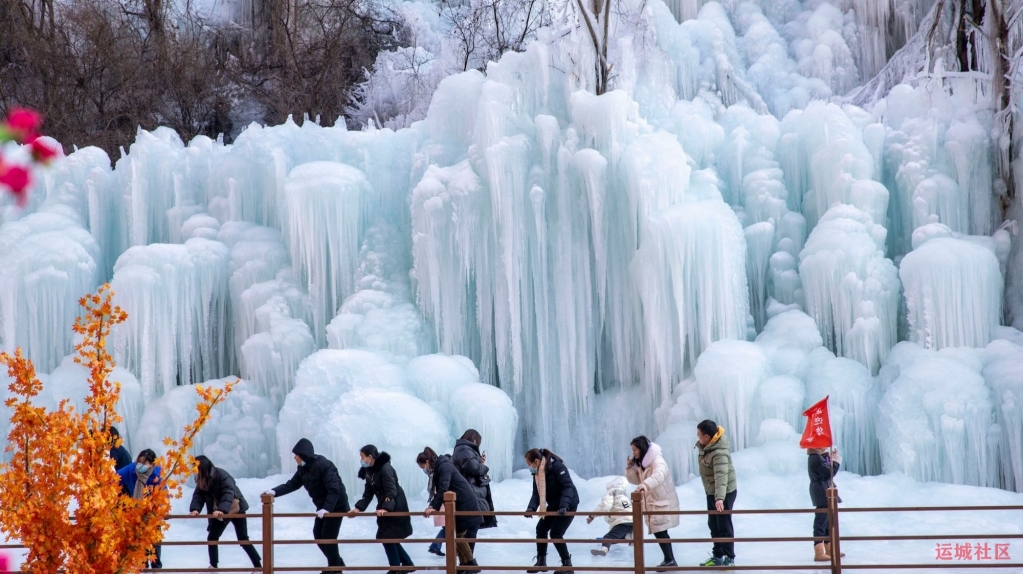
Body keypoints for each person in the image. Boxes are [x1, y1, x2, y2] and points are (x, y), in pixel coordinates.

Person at [264, 438, 350, 573]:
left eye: (296, 454)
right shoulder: (302, 469)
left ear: (303, 454)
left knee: (328, 536)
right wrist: (274, 492)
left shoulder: (324, 465)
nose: (294, 458)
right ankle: (336, 563)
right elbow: (292, 484)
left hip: (335, 505)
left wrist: (327, 508)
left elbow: (334, 489)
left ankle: (335, 569)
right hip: (322, 506)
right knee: (318, 535)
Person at [348, 445, 415, 574]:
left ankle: (395, 569)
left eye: (362, 457)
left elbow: (391, 490)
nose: (360, 460)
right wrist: (357, 508)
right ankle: (407, 564)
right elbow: (367, 494)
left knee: (387, 537)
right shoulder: (369, 472)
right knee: (389, 536)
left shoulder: (385, 468)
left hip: (395, 504)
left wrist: (386, 507)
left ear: (370, 457)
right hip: (384, 506)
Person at [189, 456, 262, 569]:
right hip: (219, 512)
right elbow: (198, 495)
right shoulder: (202, 479)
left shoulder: (222, 475)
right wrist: (195, 509)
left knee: (243, 539)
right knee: (212, 538)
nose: (194, 471)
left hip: (236, 509)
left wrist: (221, 509)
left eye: (195, 468)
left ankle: (258, 566)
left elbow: (228, 492)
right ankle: (213, 567)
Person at [419, 447, 482, 573]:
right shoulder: (441, 466)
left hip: (465, 503)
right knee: (456, 535)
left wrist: (433, 507)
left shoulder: (443, 466)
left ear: (427, 462)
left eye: (423, 467)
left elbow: (443, 488)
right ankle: (464, 565)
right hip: (460, 503)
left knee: (458, 535)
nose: (424, 470)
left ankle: (471, 565)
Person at [626, 435, 680, 569]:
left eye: (635, 450)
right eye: (632, 450)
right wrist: (630, 468)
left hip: (661, 501)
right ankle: (669, 560)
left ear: (642, 449)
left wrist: (644, 486)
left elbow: (659, 475)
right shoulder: (643, 463)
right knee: (660, 531)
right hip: (654, 501)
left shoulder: (657, 460)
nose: (633, 453)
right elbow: (636, 480)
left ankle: (670, 560)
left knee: (660, 531)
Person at [524, 448, 579, 574]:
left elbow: (568, 486)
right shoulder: (537, 473)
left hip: (568, 504)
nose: (528, 467)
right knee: (541, 529)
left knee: (556, 533)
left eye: (529, 464)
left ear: (536, 461)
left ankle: (567, 565)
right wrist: (531, 508)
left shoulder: (557, 466)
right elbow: (536, 493)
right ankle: (541, 562)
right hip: (554, 505)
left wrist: (564, 505)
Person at [696, 420, 737, 567]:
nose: (697, 437)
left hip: (724, 491)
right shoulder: (707, 447)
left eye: (699, 434)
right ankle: (718, 556)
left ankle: (730, 558)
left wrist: (720, 498)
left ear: (707, 436)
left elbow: (721, 477)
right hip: (712, 491)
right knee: (713, 523)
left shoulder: (719, 452)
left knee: (724, 524)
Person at [117, 449, 163, 569]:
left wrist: (160, 509)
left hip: (152, 512)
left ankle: (156, 567)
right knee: (138, 540)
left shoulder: (157, 474)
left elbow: (164, 493)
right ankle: (142, 566)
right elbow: (115, 477)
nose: (140, 465)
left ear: (152, 464)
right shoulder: (132, 469)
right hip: (137, 511)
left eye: (144, 463)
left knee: (154, 540)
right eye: (139, 462)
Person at [452, 429, 498, 542]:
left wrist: (480, 462)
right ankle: (467, 558)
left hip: (471, 492)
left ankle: (467, 558)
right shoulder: (464, 449)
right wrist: (484, 467)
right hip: (469, 493)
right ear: (473, 439)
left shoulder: (465, 450)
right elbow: (474, 468)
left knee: (471, 528)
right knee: (471, 528)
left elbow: (472, 466)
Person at [808, 447, 844, 562]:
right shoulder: (815, 458)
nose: (824, 446)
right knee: (821, 521)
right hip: (822, 490)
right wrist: (836, 461)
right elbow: (829, 472)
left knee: (828, 521)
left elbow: (826, 470)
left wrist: (829, 457)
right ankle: (819, 552)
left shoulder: (818, 457)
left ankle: (829, 549)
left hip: (824, 489)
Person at [585, 476, 633, 557]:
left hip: (622, 521)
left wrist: (592, 516)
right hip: (632, 521)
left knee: (608, 537)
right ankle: (627, 536)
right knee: (615, 538)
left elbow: (605, 506)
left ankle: (604, 549)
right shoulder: (625, 495)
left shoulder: (612, 492)